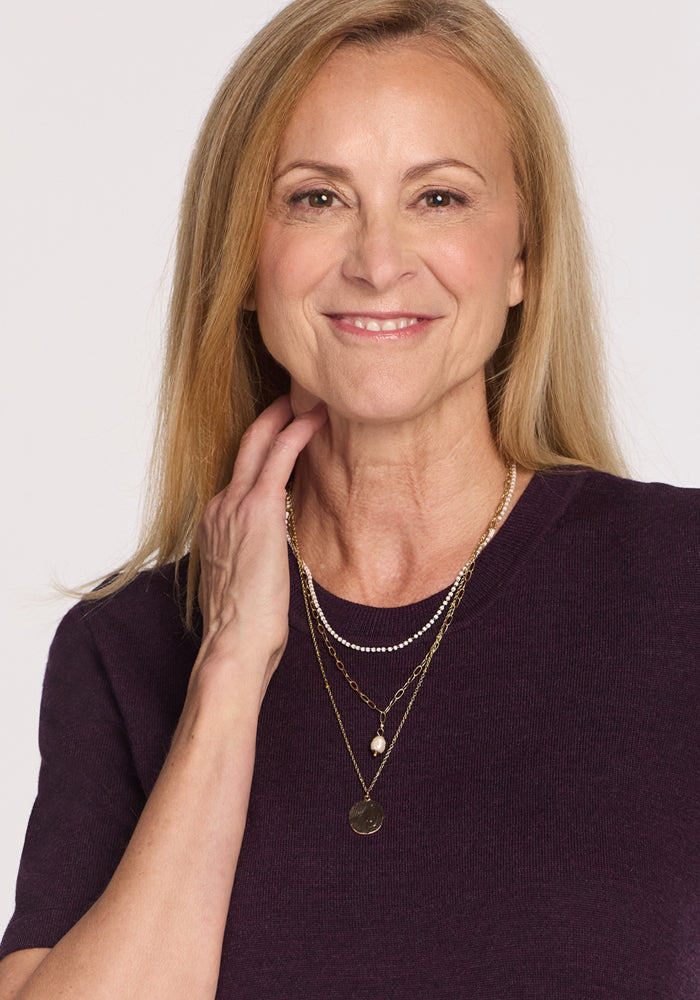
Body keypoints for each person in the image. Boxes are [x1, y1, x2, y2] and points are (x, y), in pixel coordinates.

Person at [0, 0, 698, 996]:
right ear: (243, 257)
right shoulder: (127, 649)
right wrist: (231, 672)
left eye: (439, 198)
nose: (377, 262)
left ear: (523, 260)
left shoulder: (681, 583)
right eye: (317, 198)